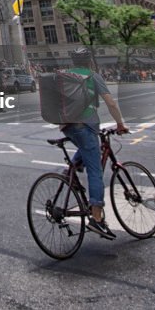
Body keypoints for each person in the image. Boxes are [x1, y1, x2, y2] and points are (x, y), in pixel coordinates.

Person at [62, 49, 129, 239]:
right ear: (90, 61)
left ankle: (70, 170)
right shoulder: (93, 76)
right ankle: (97, 218)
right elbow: (111, 103)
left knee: (87, 147)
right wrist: (120, 124)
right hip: (85, 125)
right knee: (95, 171)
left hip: (67, 125)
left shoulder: (64, 77)